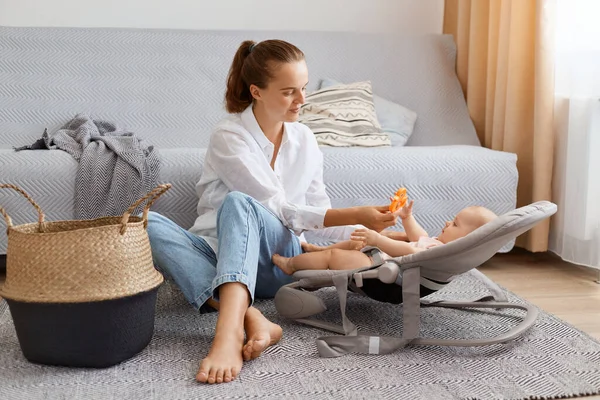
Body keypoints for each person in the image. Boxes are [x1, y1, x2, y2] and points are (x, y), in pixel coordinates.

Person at [146, 39, 403, 385]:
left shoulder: (306, 141)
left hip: (279, 261)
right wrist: (353, 213)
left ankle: (226, 334)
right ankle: (251, 317)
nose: (302, 100)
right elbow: (276, 206)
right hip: (214, 253)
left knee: (238, 202)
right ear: (257, 91)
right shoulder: (229, 136)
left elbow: (317, 216)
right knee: (142, 221)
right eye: (288, 92)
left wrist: (374, 230)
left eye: (303, 89)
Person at [272, 200, 497, 274]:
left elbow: (410, 250)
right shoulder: (435, 244)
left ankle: (292, 264)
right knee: (356, 241)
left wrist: (377, 240)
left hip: (375, 265)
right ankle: (317, 249)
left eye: (455, 224)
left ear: (464, 240)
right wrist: (408, 217)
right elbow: (418, 236)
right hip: (377, 255)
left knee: (335, 256)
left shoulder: (436, 252)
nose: (448, 222)